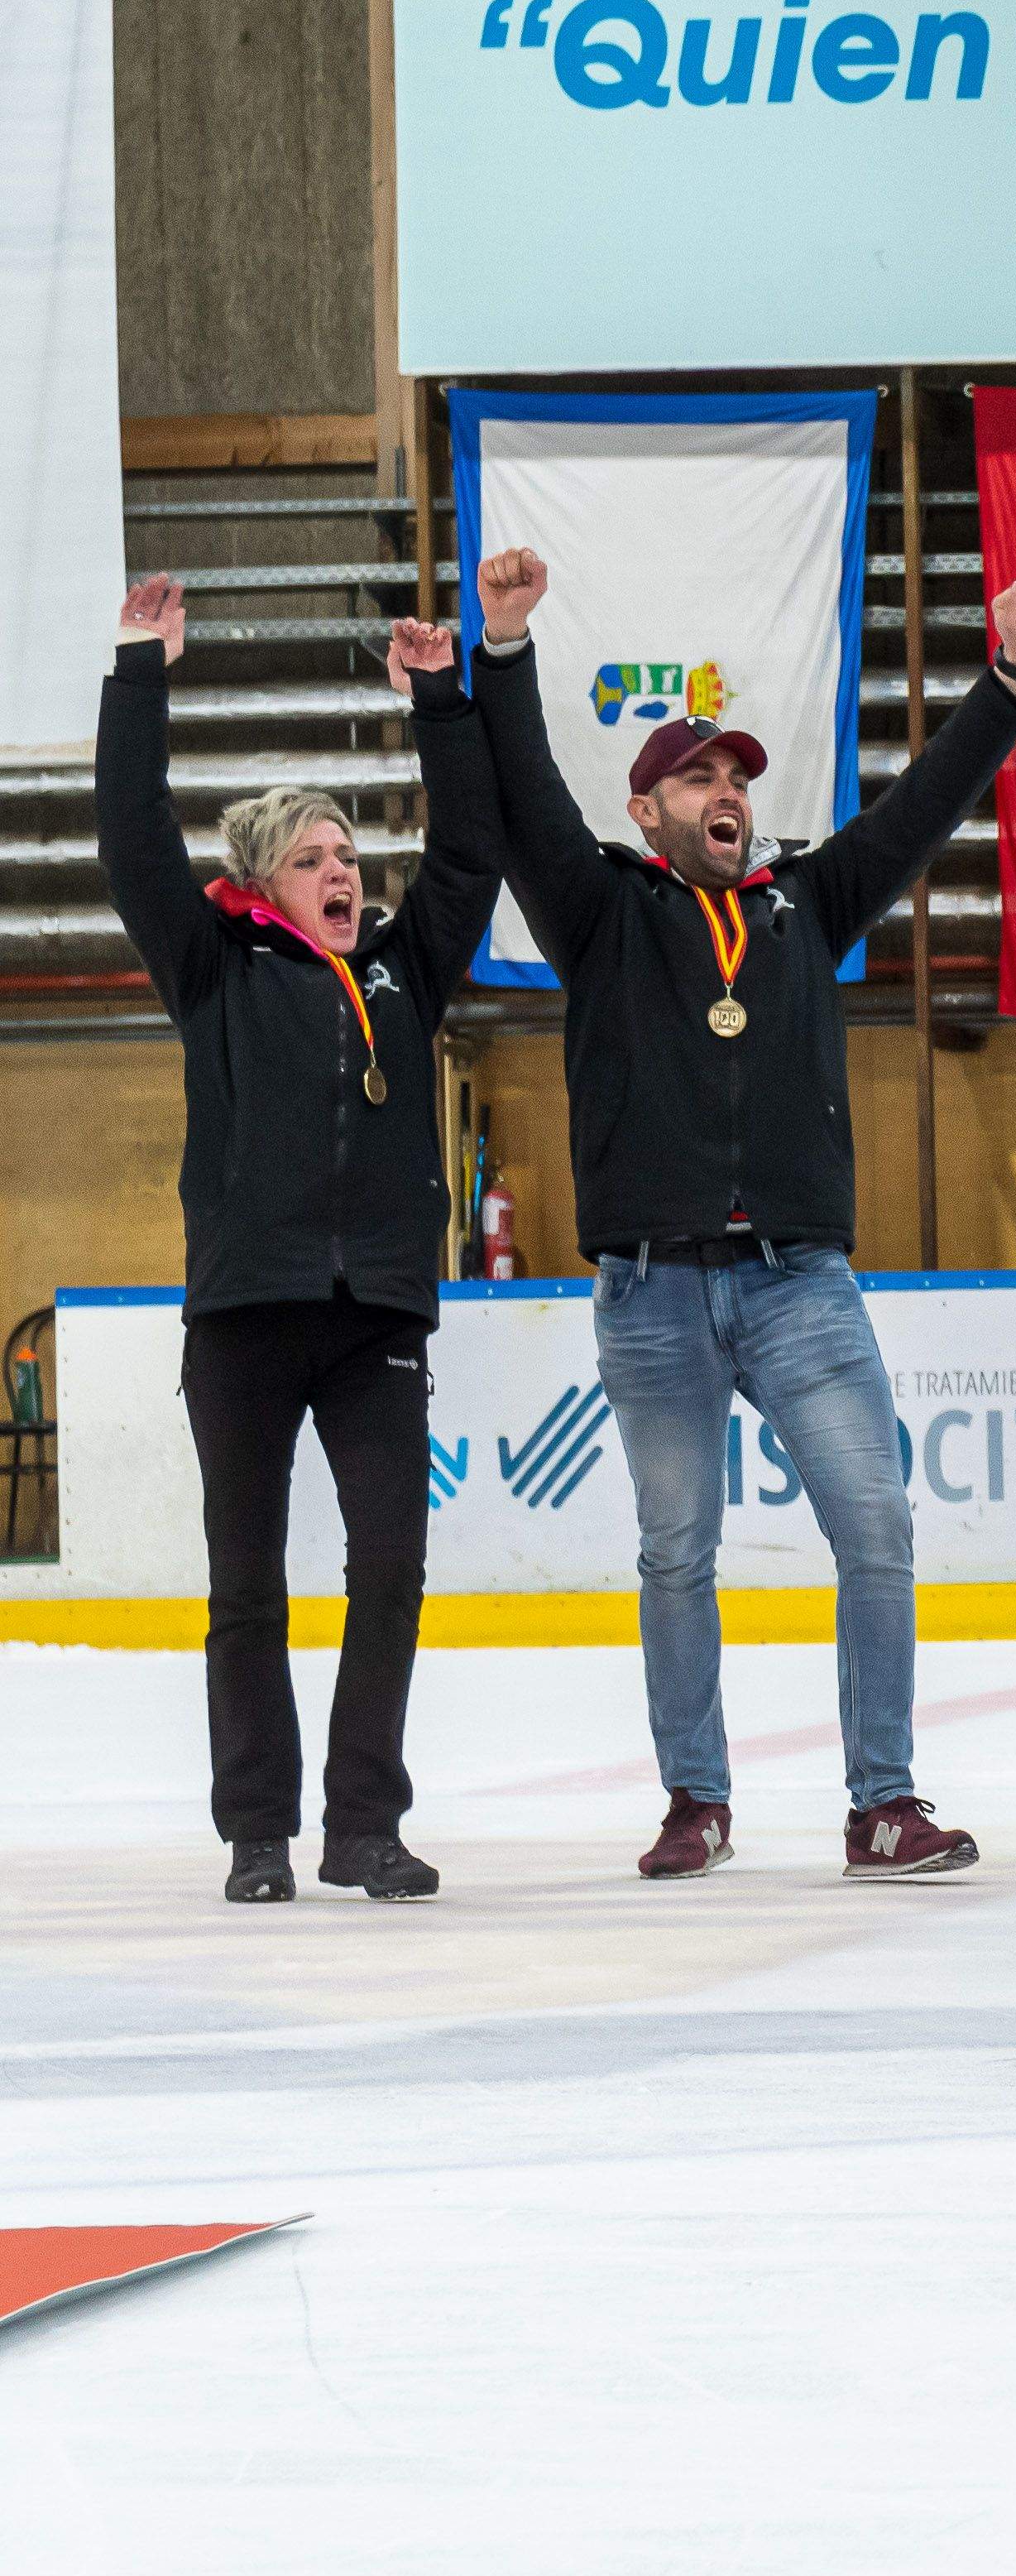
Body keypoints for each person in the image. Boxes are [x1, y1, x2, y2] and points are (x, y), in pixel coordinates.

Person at [467, 543, 1016, 1882]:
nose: (724, 791)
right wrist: (505, 650)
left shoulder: (807, 909)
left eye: (734, 776)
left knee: (877, 1526)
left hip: (800, 1284)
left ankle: (883, 1801)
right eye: (697, 776)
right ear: (650, 806)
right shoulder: (601, 912)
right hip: (653, 1290)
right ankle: (696, 1797)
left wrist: (1008, 680)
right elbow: (528, 800)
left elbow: (918, 812)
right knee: (677, 1550)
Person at [96, 582, 497, 1906]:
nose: (346, 873)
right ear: (265, 878)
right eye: (318, 857)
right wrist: (139, 676)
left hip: (378, 1308)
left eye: (350, 856)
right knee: (246, 1579)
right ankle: (258, 1833)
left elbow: (470, 855)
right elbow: (130, 842)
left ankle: (363, 1826)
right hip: (248, 1313)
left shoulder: (401, 972)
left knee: (389, 1568)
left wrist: (440, 702)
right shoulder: (215, 966)